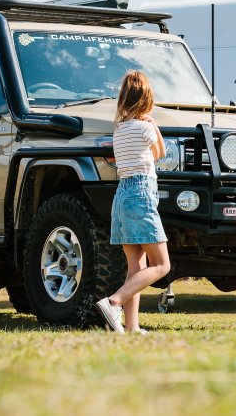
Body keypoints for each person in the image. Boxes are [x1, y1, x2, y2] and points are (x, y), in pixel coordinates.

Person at [95, 71, 170, 334]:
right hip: (141, 192)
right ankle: (113, 302)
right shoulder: (145, 127)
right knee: (162, 265)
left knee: (135, 268)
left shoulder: (120, 129)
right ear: (146, 99)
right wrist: (154, 125)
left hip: (123, 195)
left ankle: (132, 326)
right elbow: (160, 153)